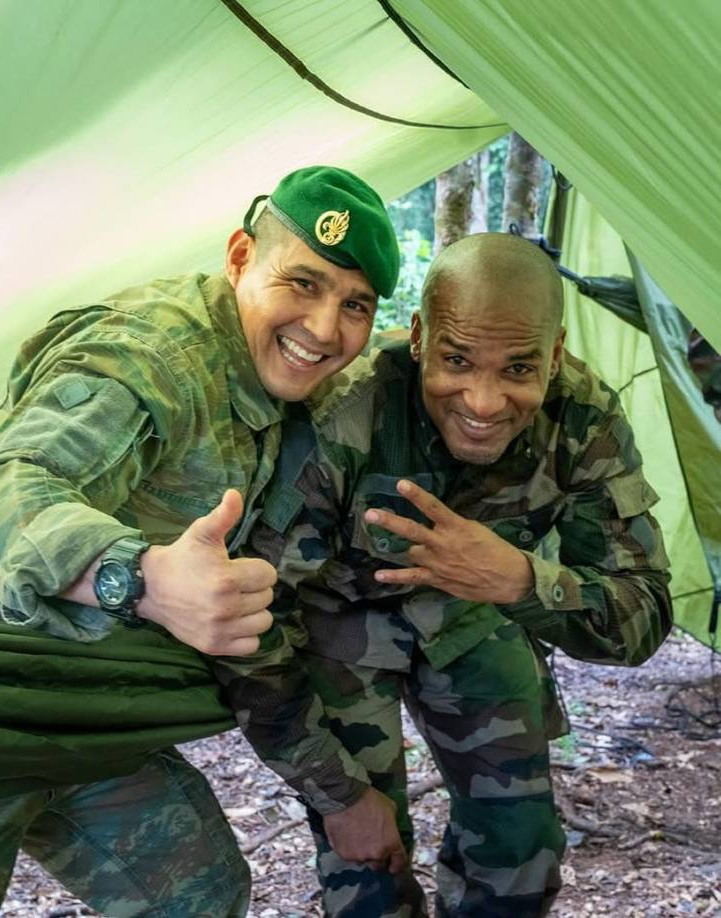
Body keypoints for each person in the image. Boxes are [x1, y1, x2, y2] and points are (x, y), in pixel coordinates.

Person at [0, 166, 400, 917]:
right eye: (303, 284)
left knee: (200, 897)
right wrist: (142, 577)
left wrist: (338, 792)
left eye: (354, 306)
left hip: (69, 710)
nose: (323, 328)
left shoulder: (274, 393)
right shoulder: (153, 355)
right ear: (241, 256)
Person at [215, 233, 673, 917]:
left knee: (521, 851)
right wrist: (337, 795)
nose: (484, 403)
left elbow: (643, 615)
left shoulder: (583, 420)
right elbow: (252, 620)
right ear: (422, 337)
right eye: (457, 361)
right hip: (338, 621)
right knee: (365, 871)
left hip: (474, 614)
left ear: (553, 355)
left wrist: (519, 579)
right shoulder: (348, 412)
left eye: (519, 370)